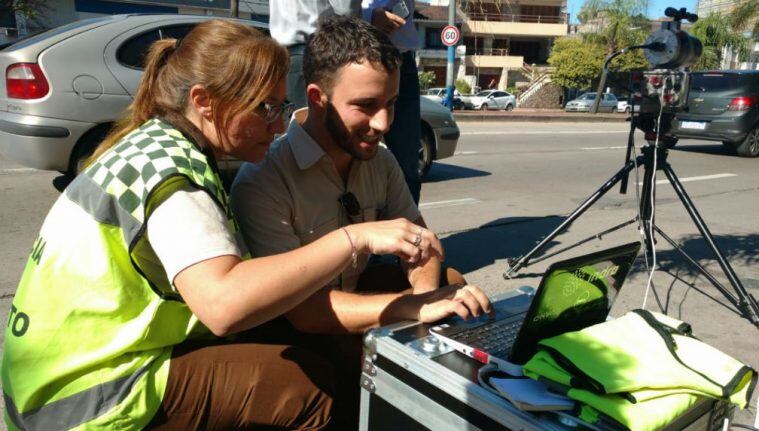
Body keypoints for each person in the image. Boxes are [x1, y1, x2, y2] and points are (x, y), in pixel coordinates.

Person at [1, 20, 449, 431]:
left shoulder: (159, 145)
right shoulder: (175, 176)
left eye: (280, 106)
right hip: (81, 391)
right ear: (204, 102)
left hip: (67, 365)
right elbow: (223, 306)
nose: (276, 126)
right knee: (302, 391)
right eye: (264, 109)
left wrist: (421, 302)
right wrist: (355, 237)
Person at [230, 16, 492, 428]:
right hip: (295, 332)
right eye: (366, 106)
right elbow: (306, 314)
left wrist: (425, 318)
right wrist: (416, 307)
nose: (384, 123)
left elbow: (421, 245)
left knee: (455, 288)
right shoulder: (264, 179)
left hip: (350, 304)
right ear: (317, 97)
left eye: (390, 104)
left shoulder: (380, 159)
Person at [363, 0, 422, 202]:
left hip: (402, 56)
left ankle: (408, 229)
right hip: (360, 52)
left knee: (407, 166)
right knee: (352, 161)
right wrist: (368, 16)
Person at [270, 0, 362, 109]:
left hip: (284, 55)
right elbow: (346, 10)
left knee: (291, 117)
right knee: (315, 118)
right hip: (318, 53)